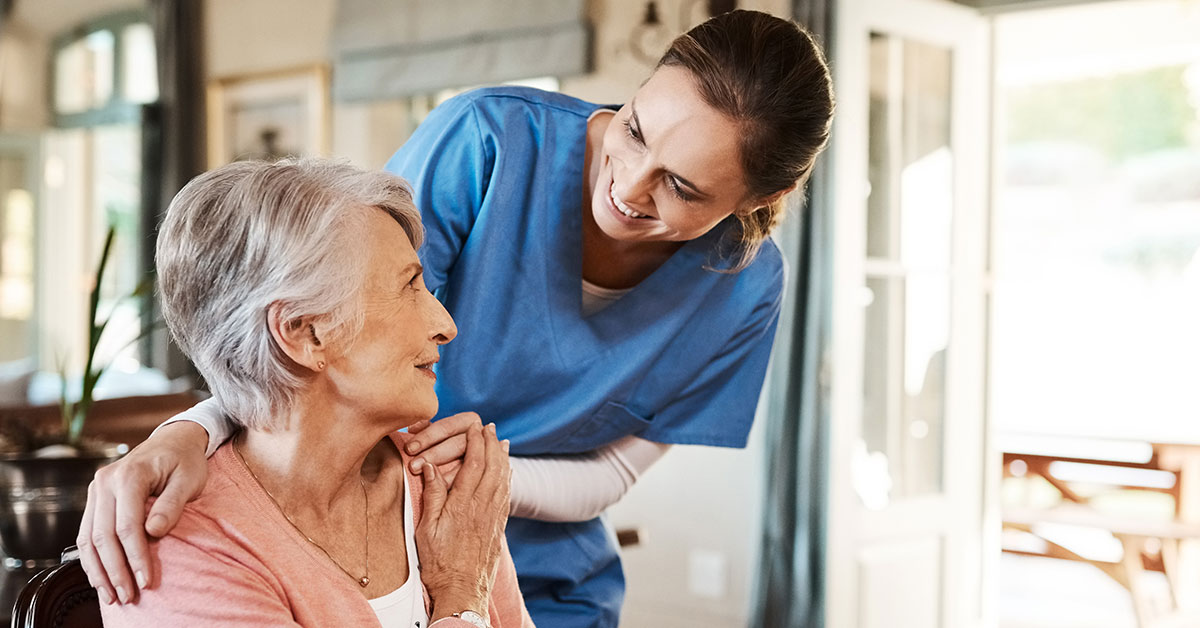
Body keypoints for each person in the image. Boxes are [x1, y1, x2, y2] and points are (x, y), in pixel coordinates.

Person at [79, 9, 834, 627]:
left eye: (681, 186)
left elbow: (606, 477)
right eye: (634, 129)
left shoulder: (743, 288)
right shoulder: (490, 143)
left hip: (538, 567)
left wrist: (466, 531)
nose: (628, 189)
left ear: (752, 207)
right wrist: (190, 430)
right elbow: (315, 322)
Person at [98, 158, 533, 628]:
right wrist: (461, 593)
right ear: (305, 334)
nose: (445, 325)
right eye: (409, 286)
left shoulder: (446, 490)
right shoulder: (182, 545)